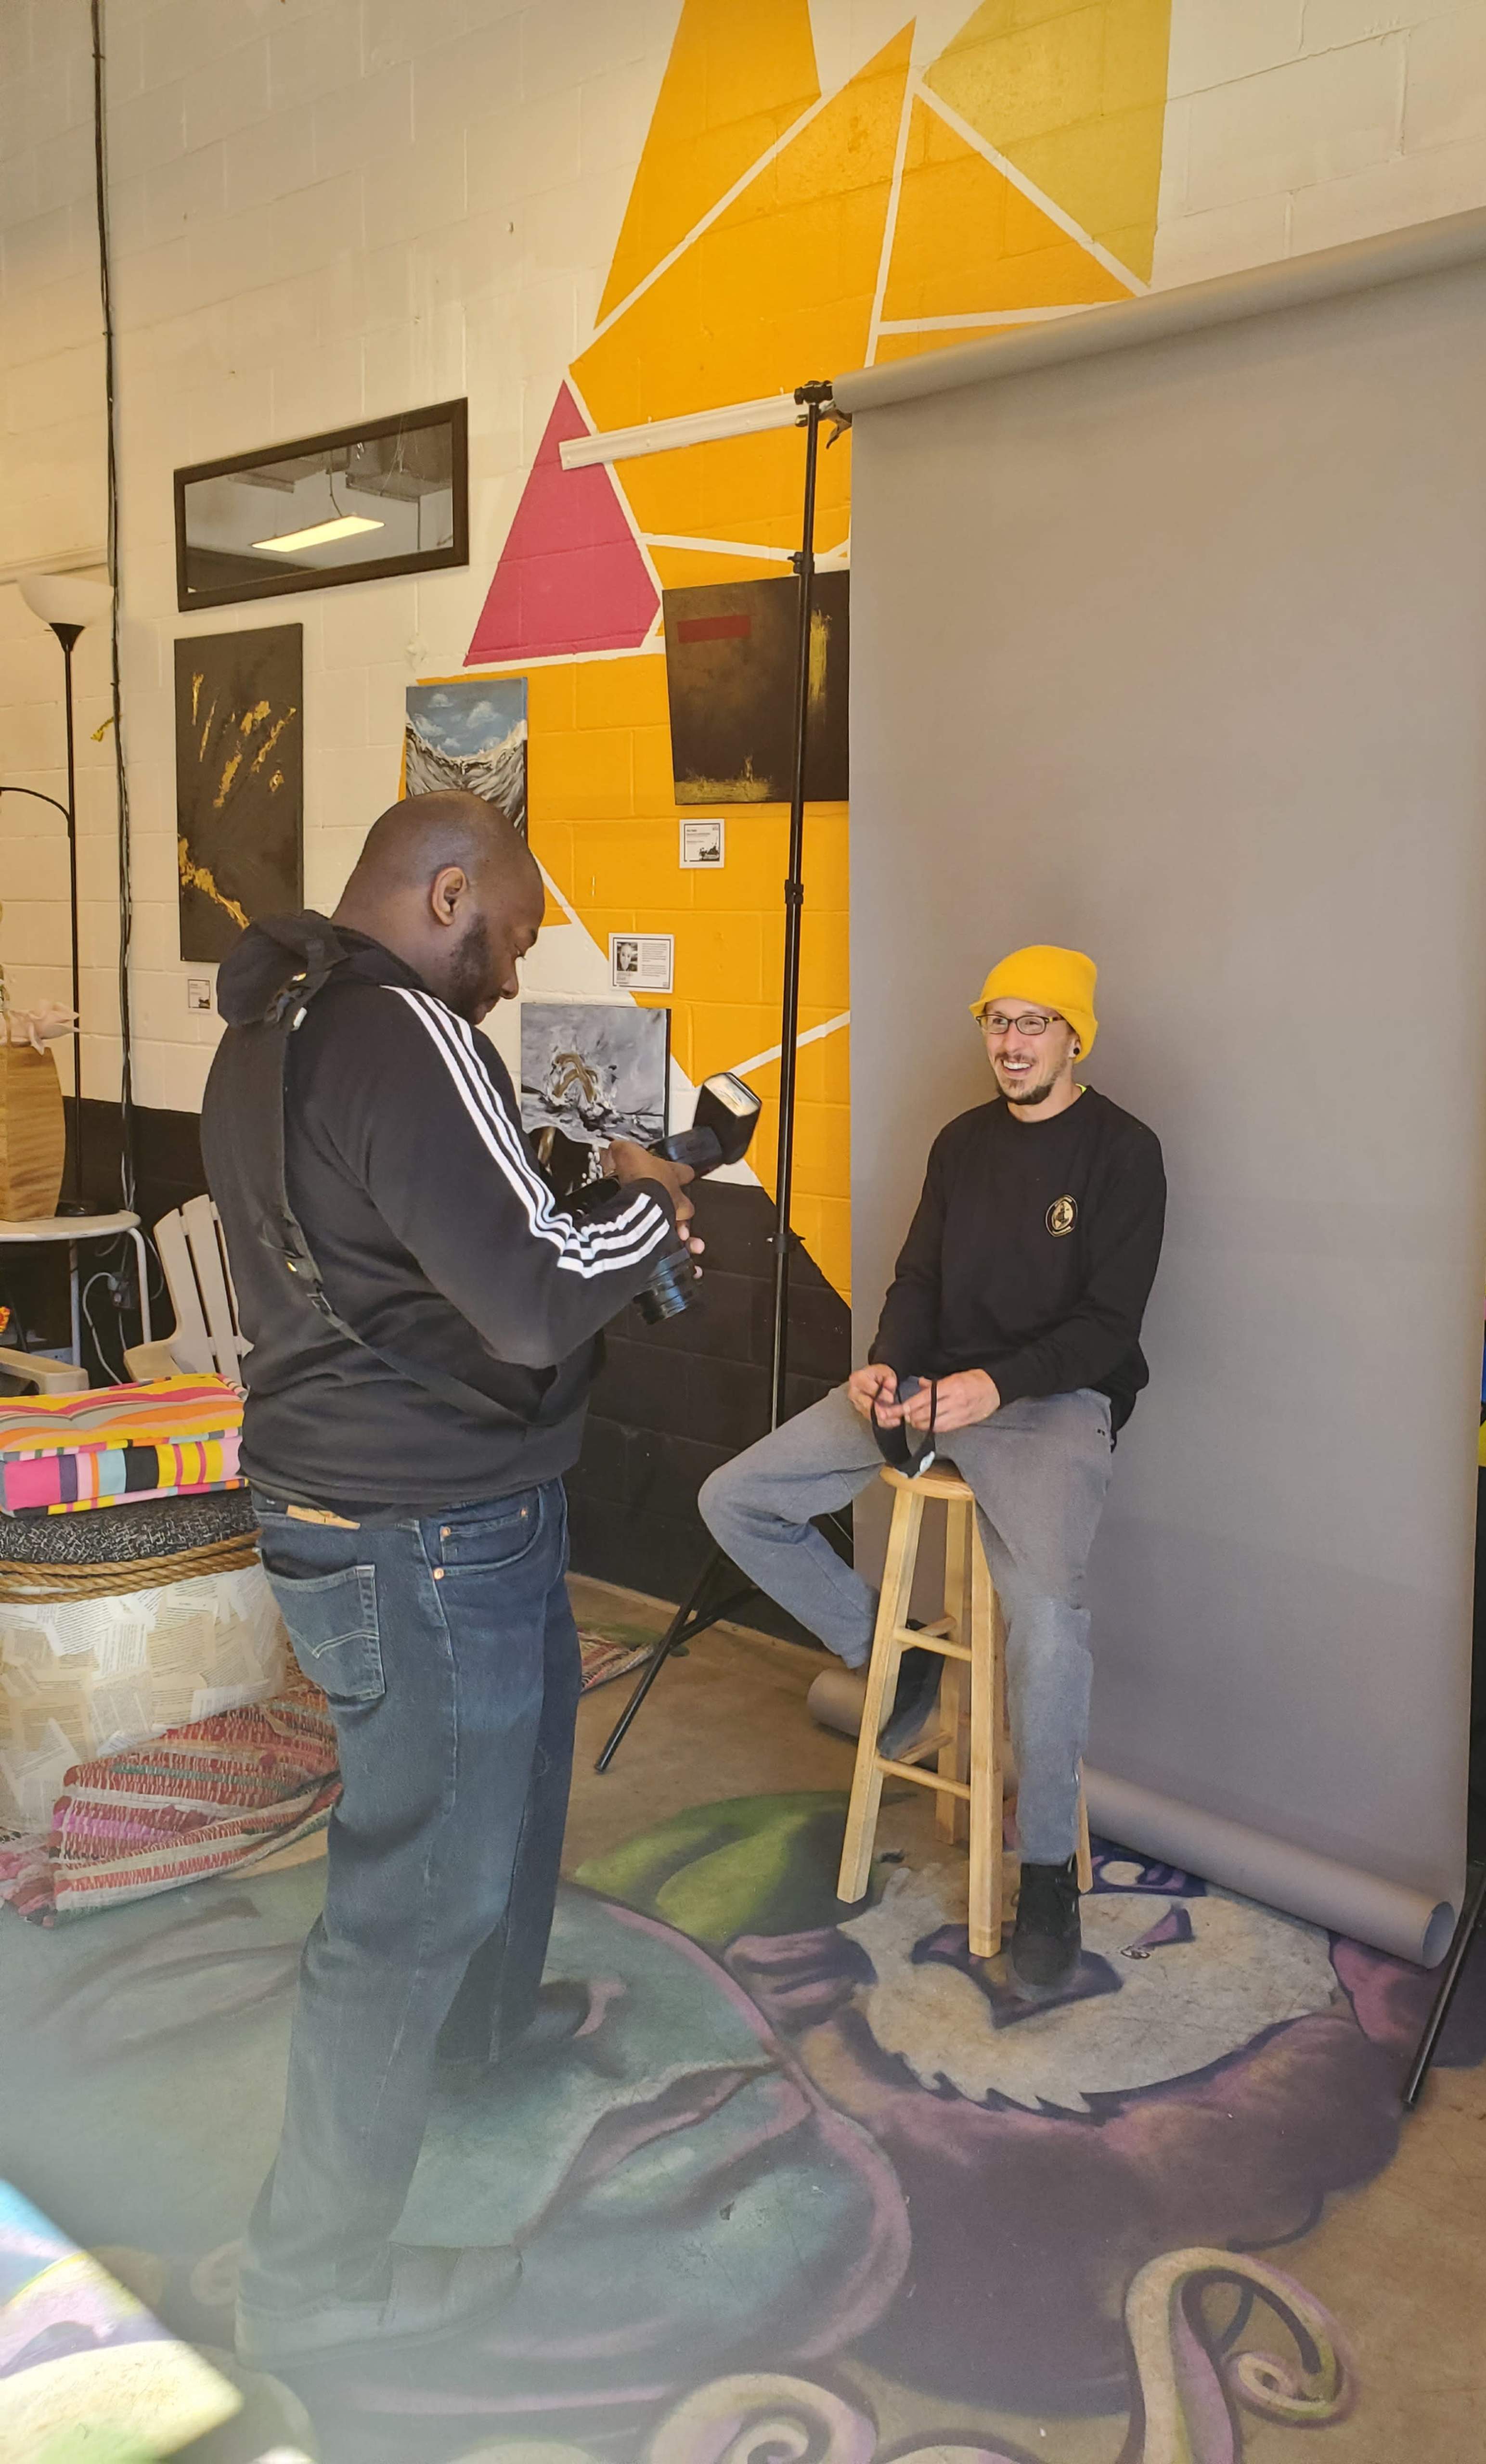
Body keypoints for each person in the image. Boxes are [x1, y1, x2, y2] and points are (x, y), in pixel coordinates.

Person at [200, 792, 698, 2367]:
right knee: (415, 1892)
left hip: (383, 1500)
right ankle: (312, 2283)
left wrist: (554, 1186)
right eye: (519, 927)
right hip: (420, 1527)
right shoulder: (402, 1031)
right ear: (447, 888)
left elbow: (404, 1238)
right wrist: (652, 1204)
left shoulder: (273, 1026)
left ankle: (477, 2042)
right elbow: (542, 1294)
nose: (518, 959)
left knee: (515, 1780)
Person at [700, 945, 1165, 1998]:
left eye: (1034, 1023)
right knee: (734, 1496)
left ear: (1075, 1034)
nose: (1011, 1042)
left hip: (1048, 1406)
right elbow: (917, 1277)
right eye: (998, 1021)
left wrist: (993, 1389)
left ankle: (1046, 1873)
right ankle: (893, 1659)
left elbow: (1107, 1328)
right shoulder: (963, 1143)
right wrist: (888, 1368)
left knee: (1047, 1620)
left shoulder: (1124, 1152)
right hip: (936, 1390)